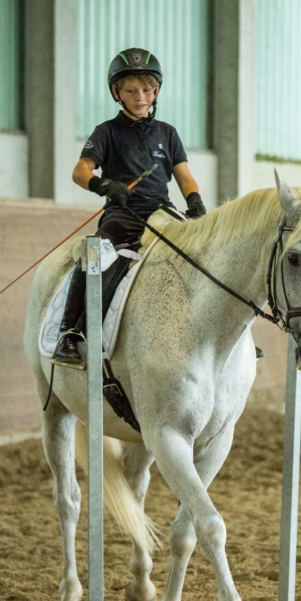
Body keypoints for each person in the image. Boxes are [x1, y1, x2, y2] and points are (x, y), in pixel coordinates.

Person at [52, 47, 207, 369]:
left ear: (157, 92)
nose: (141, 97)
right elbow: (80, 171)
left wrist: (194, 201)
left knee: (207, 252)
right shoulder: (106, 132)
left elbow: (185, 177)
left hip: (163, 214)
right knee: (92, 257)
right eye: (131, 91)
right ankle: (69, 332)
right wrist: (104, 186)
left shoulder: (168, 133)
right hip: (123, 215)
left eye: (148, 90)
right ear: (116, 93)